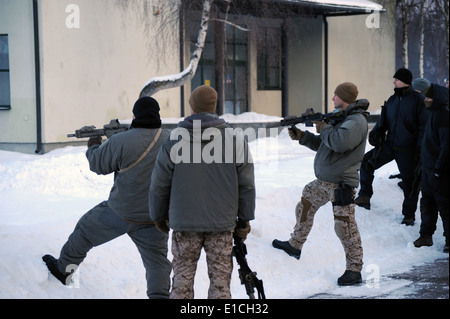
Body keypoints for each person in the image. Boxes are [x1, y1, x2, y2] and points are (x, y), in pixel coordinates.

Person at [42, 97, 172, 298]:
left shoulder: (121, 141)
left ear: (135, 115)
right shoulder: (172, 140)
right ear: (157, 115)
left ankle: (64, 271)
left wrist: (94, 144)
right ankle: (160, 296)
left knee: (84, 231)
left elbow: (97, 165)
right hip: (155, 216)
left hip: (120, 212)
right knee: (157, 262)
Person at [149, 85, 255, 299]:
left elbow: (160, 184)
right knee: (220, 285)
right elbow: (246, 184)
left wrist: (158, 216)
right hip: (222, 224)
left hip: (184, 224)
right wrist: (243, 219)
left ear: (193, 108)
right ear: (213, 107)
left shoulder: (174, 139)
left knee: (181, 283)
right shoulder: (236, 139)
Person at [272, 82, 369, 286]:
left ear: (345, 98)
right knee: (305, 203)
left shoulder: (356, 121)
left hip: (341, 184)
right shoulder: (341, 119)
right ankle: (295, 245)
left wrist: (323, 127)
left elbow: (339, 143)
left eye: (336, 95)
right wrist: (303, 137)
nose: (332, 98)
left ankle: (354, 270)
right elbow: (324, 144)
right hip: (324, 182)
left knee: (345, 227)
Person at [355, 68, 427, 226]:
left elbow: (423, 127)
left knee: (410, 182)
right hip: (390, 145)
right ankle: (364, 197)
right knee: (367, 161)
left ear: (405, 81)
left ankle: (408, 215)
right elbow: (383, 120)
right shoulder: (392, 100)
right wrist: (375, 133)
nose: (394, 81)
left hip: (408, 149)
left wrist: (420, 149)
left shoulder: (418, 100)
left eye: (397, 79)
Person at [413, 84, 449, 253]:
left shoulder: (444, 116)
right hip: (427, 169)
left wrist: (438, 168)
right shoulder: (431, 113)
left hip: (439, 171)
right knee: (427, 203)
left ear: (436, 99)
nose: (425, 100)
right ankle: (426, 235)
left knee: (445, 205)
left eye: (428, 98)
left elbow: (446, 146)